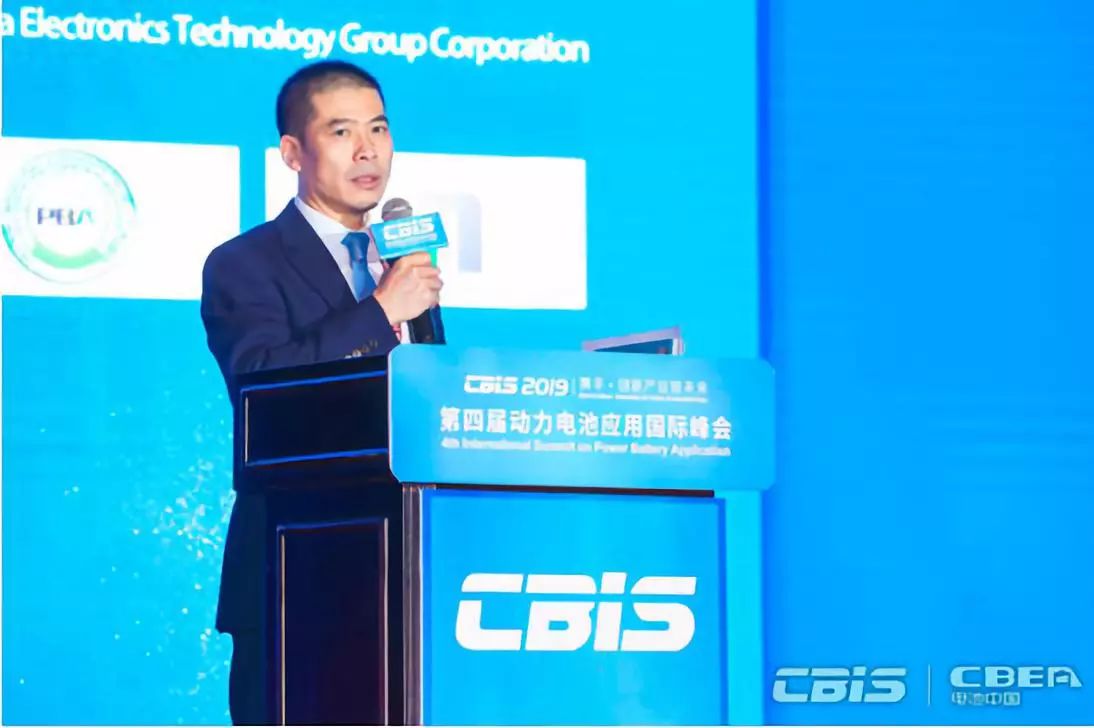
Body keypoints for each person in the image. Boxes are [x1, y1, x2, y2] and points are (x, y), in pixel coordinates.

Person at [199, 60, 442, 724]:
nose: (368, 150)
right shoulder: (244, 262)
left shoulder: (401, 256)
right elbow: (261, 381)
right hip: (296, 572)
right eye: (342, 131)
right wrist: (381, 311)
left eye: (379, 129)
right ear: (292, 153)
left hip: (407, 570)